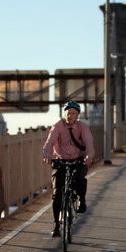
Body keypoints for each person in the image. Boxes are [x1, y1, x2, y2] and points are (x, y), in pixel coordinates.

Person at [42, 101, 95, 238]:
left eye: (73, 114)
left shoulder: (83, 127)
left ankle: (82, 199)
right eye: (68, 113)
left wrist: (89, 156)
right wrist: (47, 155)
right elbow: (49, 142)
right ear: (64, 113)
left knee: (79, 178)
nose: (70, 116)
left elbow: (88, 142)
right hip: (60, 161)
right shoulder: (58, 126)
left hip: (77, 160)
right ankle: (56, 226)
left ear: (77, 115)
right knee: (57, 193)